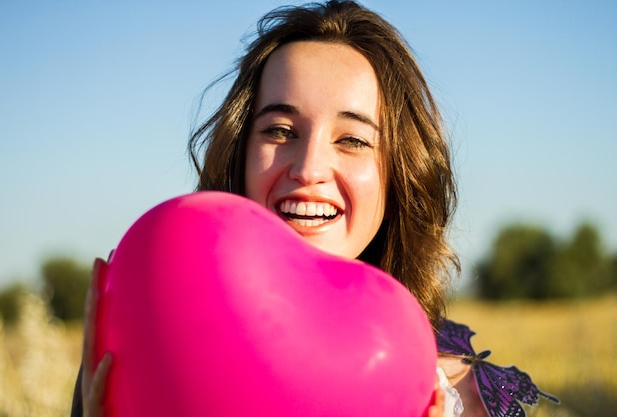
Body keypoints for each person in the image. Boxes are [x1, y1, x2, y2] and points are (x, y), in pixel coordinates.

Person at [72, 1, 485, 416]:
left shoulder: (460, 394)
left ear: (399, 177)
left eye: (353, 140)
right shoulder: (152, 335)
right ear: (240, 154)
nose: (308, 169)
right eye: (280, 131)